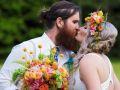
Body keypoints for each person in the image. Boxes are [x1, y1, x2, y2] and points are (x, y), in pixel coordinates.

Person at [0, 1, 87, 90]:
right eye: (75, 22)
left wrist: (84, 43)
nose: (78, 27)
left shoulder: (72, 55)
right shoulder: (28, 48)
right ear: (60, 22)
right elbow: (3, 81)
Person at [74, 22, 120, 90]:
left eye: (85, 28)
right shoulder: (105, 59)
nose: (79, 28)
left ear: (93, 36)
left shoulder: (88, 60)